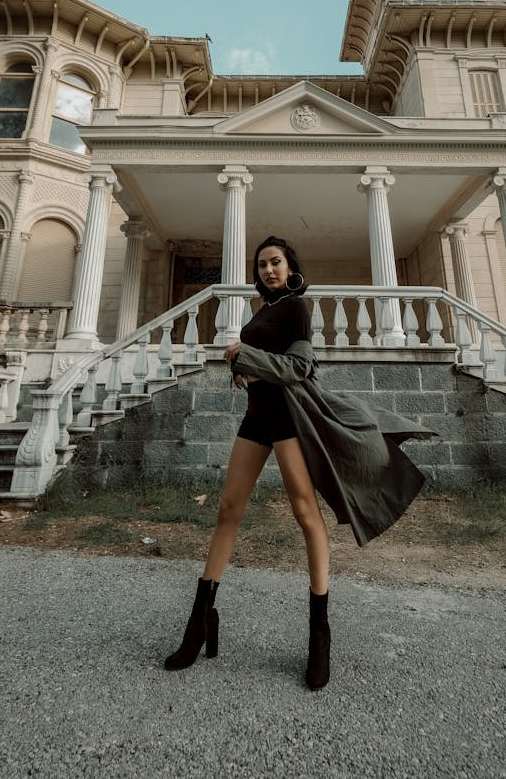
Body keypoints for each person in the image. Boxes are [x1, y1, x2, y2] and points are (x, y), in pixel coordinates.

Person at [164, 235, 431, 690]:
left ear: (290, 267)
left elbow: (299, 368)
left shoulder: (295, 308)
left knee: (305, 513)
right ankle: (199, 621)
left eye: (276, 262)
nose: (269, 269)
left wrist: (244, 355)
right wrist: (241, 369)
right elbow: (265, 362)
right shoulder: (262, 310)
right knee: (228, 510)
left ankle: (319, 634)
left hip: (288, 419)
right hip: (256, 418)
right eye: (263, 264)